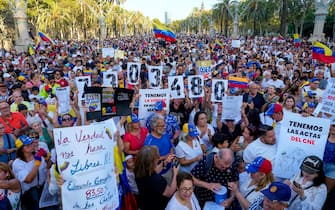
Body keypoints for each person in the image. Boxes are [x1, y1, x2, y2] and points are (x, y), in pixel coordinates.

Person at [135, 146, 179, 210]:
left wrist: (165, 162)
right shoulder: (157, 180)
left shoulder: (138, 170)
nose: (158, 159)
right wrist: (175, 173)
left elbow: (153, 171)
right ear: (151, 162)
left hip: (145, 204)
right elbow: (169, 192)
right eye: (156, 158)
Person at [12, 135, 48, 210]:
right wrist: (37, 164)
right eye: (27, 145)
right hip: (30, 193)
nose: (31, 146)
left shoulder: (38, 155)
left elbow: (47, 168)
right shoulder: (18, 163)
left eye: (31, 143)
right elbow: (28, 180)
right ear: (21, 149)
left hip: (44, 188)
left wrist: (47, 158)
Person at [144, 114, 175, 181]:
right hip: (157, 174)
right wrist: (164, 157)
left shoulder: (165, 135)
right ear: (154, 127)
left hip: (169, 170)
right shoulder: (149, 142)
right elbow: (148, 161)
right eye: (162, 126)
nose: (164, 127)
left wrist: (172, 157)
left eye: (164, 125)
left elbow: (171, 147)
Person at [323, 121, 335, 193]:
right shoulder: (321, 136)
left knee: (326, 191)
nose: (334, 128)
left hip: (333, 169)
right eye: (333, 125)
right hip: (319, 165)